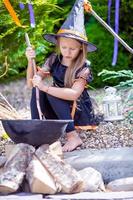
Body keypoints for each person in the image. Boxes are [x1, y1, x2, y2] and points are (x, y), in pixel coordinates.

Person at [25, 0, 99, 152]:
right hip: (58, 108)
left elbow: (73, 94)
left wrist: (45, 87)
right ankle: (37, 130)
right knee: (37, 90)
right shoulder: (54, 59)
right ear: (58, 45)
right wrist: (29, 61)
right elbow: (31, 84)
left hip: (76, 111)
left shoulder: (83, 68)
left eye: (72, 48)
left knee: (50, 91)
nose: (67, 51)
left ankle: (73, 136)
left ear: (81, 49)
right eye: (64, 47)